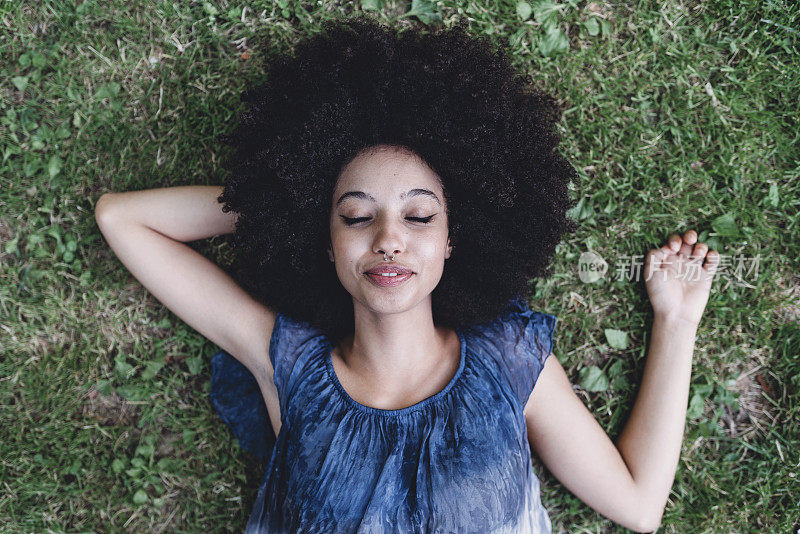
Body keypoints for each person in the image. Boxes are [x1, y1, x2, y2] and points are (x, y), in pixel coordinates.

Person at [94, 14, 720, 533]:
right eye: (356, 217)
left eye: (419, 217)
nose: (389, 239)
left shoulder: (504, 361)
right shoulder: (286, 363)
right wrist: (277, 202)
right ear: (326, 244)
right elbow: (123, 221)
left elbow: (639, 505)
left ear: (453, 240)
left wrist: (677, 318)